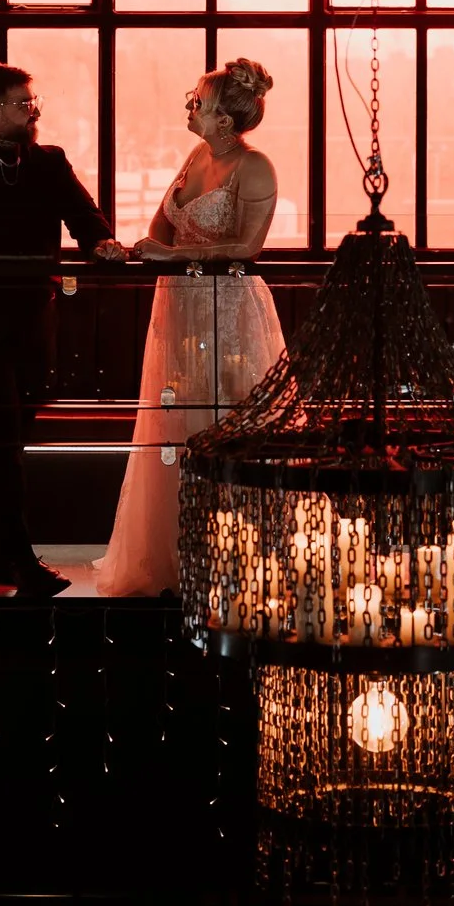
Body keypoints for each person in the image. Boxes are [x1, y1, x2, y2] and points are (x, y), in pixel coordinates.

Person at [0, 64, 127, 598]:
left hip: (35, 324)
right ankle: (18, 560)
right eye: (24, 104)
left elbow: (87, 220)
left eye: (34, 104)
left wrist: (103, 247)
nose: (34, 112)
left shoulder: (49, 163)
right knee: (3, 441)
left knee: (5, 443)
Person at [93, 59, 285, 598]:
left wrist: (172, 254)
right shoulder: (196, 154)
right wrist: (131, 247)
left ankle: (239, 563)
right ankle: (181, 558)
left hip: (228, 308)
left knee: (225, 422)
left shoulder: (256, 167)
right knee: (174, 426)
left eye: (199, 101)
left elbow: (249, 248)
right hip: (176, 305)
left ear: (225, 119)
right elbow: (162, 227)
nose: (191, 106)